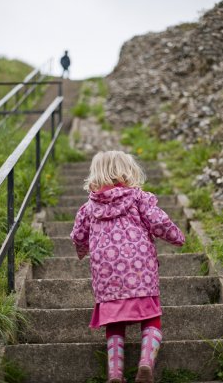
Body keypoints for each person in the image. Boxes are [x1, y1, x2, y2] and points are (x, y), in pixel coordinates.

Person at [70, 151, 185, 383]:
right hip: (139, 268)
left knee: (114, 323)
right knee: (151, 316)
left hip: (106, 272)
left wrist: (82, 251)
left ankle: (115, 374)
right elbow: (159, 221)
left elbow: (78, 236)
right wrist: (177, 237)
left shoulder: (89, 208)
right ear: (128, 172)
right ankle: (145, 363)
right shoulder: (138, 198)